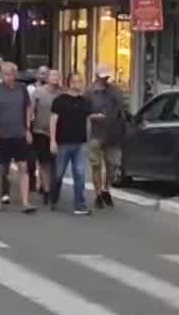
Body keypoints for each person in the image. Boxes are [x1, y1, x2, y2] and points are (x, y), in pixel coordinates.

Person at [0, 62, 36, 213]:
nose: (7, 77)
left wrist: (27, 129)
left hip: (19, 133)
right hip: (2, 135)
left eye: (9, 74)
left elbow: (28, 108)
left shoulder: (22, 89)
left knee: (23, 167)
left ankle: (26, 202)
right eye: (4, 74)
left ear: (15, 74)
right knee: (0, 168)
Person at [86, 66, 130, 209]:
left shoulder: (115, 91)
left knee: (113, 164)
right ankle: (98, 194)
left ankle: (107, 189)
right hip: (96, 133)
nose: (105, 79)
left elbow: (122, 109)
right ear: (97, 76)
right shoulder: (89, 92)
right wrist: (93, 116)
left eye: (107, 77)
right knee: (96, 165)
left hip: (113, 133)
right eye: (103, 77)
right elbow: (84, 112)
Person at [51, 73, 94, 216]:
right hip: (63, 142)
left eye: (80, 81)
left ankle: (79, 205)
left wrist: (88, 139)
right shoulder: (60, 101)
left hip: (80, 144)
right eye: (75, 81)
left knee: (80, 174)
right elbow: (53, 121)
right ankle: (53, 198)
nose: (78, 84)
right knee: (58, 174)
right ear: (69, 83)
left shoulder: (85, 102)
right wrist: (53, 141)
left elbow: (88, 121)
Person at [29, 68, 61, 209]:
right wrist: (28, 129)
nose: (55, 77)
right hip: (41, 132)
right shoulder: (38, 92)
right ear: (47, 78)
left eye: (57, 75)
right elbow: (30, 111)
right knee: (45, 163)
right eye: (53, 75)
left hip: (59, 134)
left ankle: (52, 189)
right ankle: (47, 191)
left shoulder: (62, 94)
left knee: (57, 166)